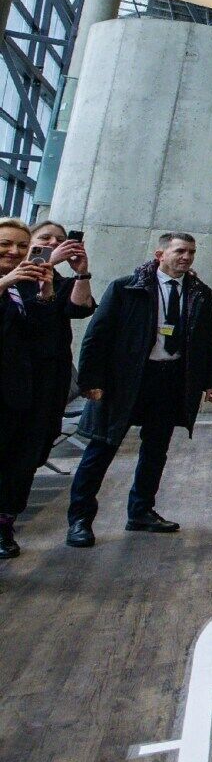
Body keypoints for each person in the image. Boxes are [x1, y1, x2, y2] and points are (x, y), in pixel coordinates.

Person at [67, 232, 212, 547]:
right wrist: (91, 381)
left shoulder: (199, 292)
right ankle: (80, 520)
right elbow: (97, 336)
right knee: (101, 449)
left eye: (191, 252)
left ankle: (141, 512)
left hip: (169, 380)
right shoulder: (126, 288)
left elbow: (207, 340)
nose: (187, 257)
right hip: (125, 380)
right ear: (159, 254)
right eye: (180, 251)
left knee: (156, 450)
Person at [0, 219, 59, 557]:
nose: (14, 251)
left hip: (22, 393)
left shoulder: (25, 285)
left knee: (18, 468)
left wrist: (46, 294)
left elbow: (44, 339)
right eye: (5, 244)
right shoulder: (9, 283)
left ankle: (5, 527)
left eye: (22, 246)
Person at [25, 221, 96, 472]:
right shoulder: (13, 276)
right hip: (18, 369)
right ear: (29, 243)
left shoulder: (61, 282)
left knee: (41, 437)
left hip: (51, 372)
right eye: (46, 238)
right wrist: (48, 260)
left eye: (60, 240)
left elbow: (80, 309)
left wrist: (82, 272)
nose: (54, 243)